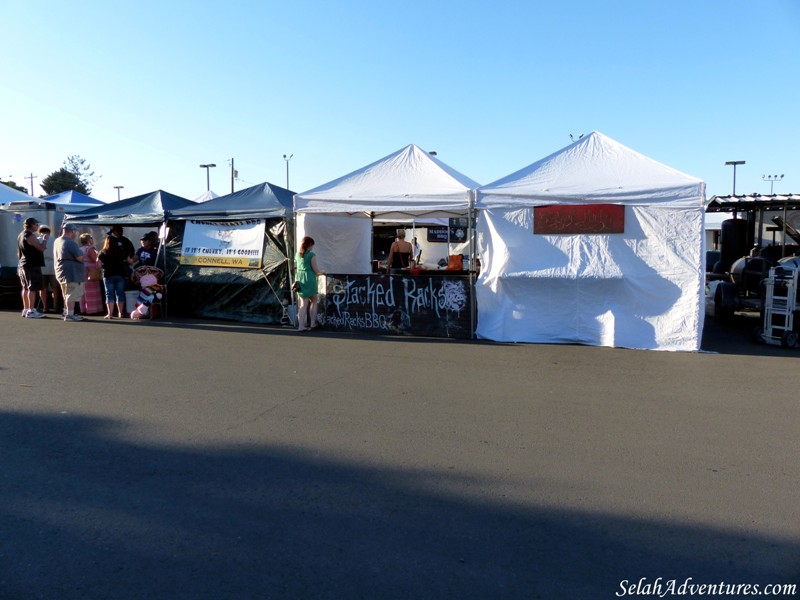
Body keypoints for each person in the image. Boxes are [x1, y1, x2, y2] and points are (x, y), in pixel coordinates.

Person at [98, 225, 136, 319]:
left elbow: (98, 264)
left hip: (108, 274)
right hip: (121, 273)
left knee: (109, 294)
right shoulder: (122, 250)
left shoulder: (103, 252)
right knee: (120, 293)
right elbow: (130, 259)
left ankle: (110, 314)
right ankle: (120, 313)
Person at [54, 223, 86, 321]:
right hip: (72, 272)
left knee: (66, 293)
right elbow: (79, 257)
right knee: (72, 294)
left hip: (61, 271)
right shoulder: (70, 242)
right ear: (72, 231)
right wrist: (86, 254)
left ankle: (66, 312)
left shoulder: (57, 240)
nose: (75, 233)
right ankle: (70, 314)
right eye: (75, 231)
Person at [17, 217, 48, 318]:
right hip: (32, 265)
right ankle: (31, 310)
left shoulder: (21, 234)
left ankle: (26, 309)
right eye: (36, 224)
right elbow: (41, 248)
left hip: (23, 264)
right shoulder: (30, 235)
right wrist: (44, 240)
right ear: (31, 225)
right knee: (32, 288)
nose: (38, 226)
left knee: (25, 287)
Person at [294, 236, 323, 331]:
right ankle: (312, 323)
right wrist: (322, 273)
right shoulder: (311, 255)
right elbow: (316, 271)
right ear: (310, 245)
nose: (312, 247)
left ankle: (300, 326)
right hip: (309, 279)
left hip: (300, 280)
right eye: (312, 245)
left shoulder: (297, 255)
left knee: (303, 304)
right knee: (314, 301)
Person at [38, 226, 62, 314]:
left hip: (41, 266)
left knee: (42, 288)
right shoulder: (55, 240)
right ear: (49, 232)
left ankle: (45, 307)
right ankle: (55, 307)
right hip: (53, 265)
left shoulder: (37, 239)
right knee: (55, 288)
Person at [79, 233, 104, 315]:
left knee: (84, 292)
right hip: (91, 272)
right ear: (88, 240)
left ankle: (84, 309)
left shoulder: (80, 249)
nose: (92, 239)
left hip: (83, 271)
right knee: (92, 291)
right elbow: (95, 259)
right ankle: (92, 309)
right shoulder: (90, 248)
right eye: (91, 238)